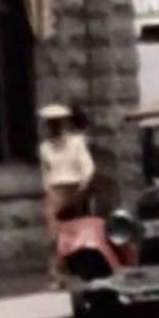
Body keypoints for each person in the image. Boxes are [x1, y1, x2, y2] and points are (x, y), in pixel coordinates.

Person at [39, 104, 95, 286]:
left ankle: (81, 269)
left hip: (75, 189)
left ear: (64, 124)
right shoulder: (45, 148)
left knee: (77, 230)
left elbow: (87, 167)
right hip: (56, 190)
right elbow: (46, 174)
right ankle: (57, 273)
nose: (54, 128)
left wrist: (82, 188)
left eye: (57, 123)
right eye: (50, 124)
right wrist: (49, 191)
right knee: (53, 233)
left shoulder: (76, 142)